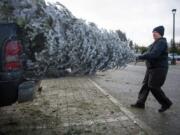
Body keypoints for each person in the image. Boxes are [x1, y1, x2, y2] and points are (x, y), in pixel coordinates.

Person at [131, 26, 172, 112]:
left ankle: (166, 103)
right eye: (153, 32)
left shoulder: (161, 42)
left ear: (160, 33)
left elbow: (154, 54)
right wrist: (139, 58)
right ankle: (140, 103)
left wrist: (140, 56)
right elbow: (147, 53)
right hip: (151, 68)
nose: (153, 34)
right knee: (145, 85)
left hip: (159, 69)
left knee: (153, 86)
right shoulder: (154, 43)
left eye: (155, 32)